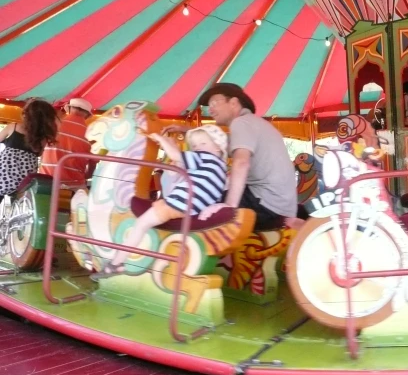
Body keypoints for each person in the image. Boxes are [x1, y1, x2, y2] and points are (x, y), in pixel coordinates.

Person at [92, 125, 228, 279]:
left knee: (141, 224)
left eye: (203, 144)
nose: (197, 148)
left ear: (219, 148)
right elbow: (178, 173)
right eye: (195, 145)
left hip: (178, 204)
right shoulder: (221, 169)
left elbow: (177, 156)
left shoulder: (205, 157)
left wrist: (160, 139)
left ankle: (116, 264)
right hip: (192, 208)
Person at [164, 83, 297, 231]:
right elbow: (219, 142)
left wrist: (229, 206)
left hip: (266, 204)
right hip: (282, 204)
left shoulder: (241, 123)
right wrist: (187, 131)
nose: (210, 110)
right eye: (208, 106)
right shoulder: (255, 123)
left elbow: (241, 162)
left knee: (199, 198)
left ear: (233, 103)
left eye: (215, 103)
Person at [0, 99, 58, 198]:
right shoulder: (42, 138)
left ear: (26, 114)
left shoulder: (13, 127)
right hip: (24, 184)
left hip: (3, 177)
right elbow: (39, 153)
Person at [40, 98, 94, 186]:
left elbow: (41, 149)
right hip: (74, 185)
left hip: (46, 182)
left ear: (68, 109)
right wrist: (87, 175)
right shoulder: (91, 134)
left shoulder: (53, 125)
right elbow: (92, 163)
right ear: (87, 115)